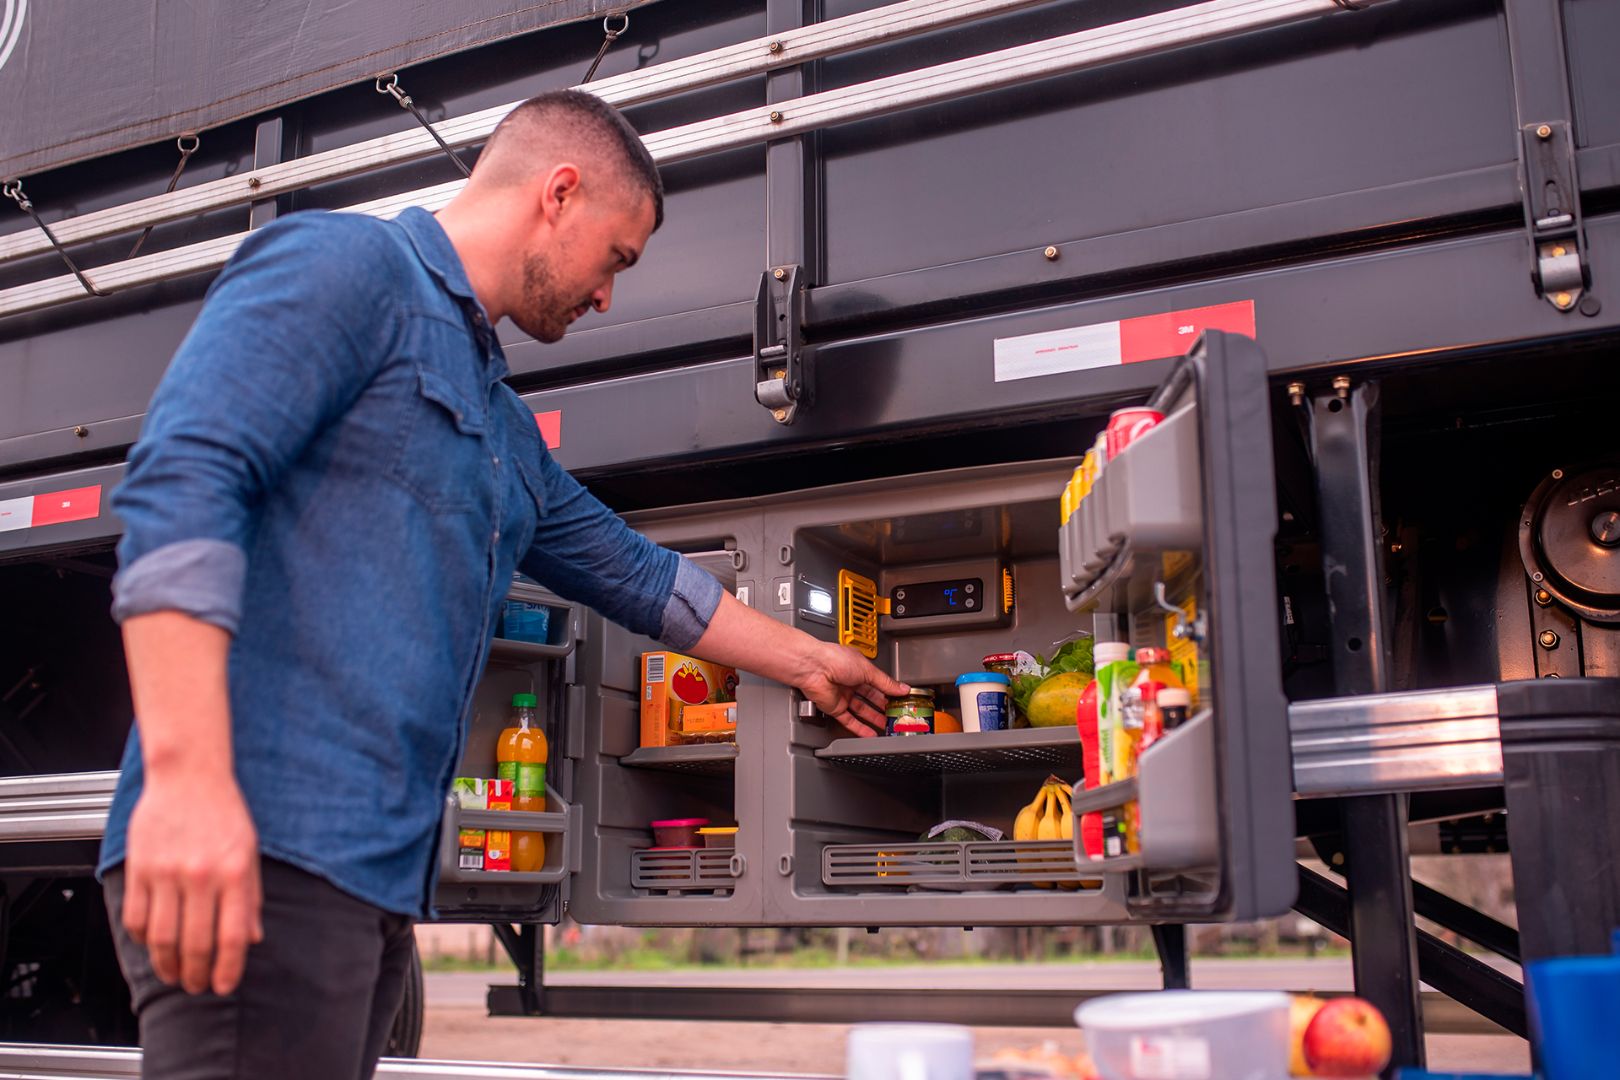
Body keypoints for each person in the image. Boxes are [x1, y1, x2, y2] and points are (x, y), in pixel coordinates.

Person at [98, 89, 905, 1079]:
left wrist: (811, 661)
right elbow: (184, 483)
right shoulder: (346, 266)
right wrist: (185, 786)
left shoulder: (500, 423)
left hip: (370, 878)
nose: (607, 297)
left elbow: (636, 575)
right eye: (617, 257)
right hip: (259, 846)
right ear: (558, 193)